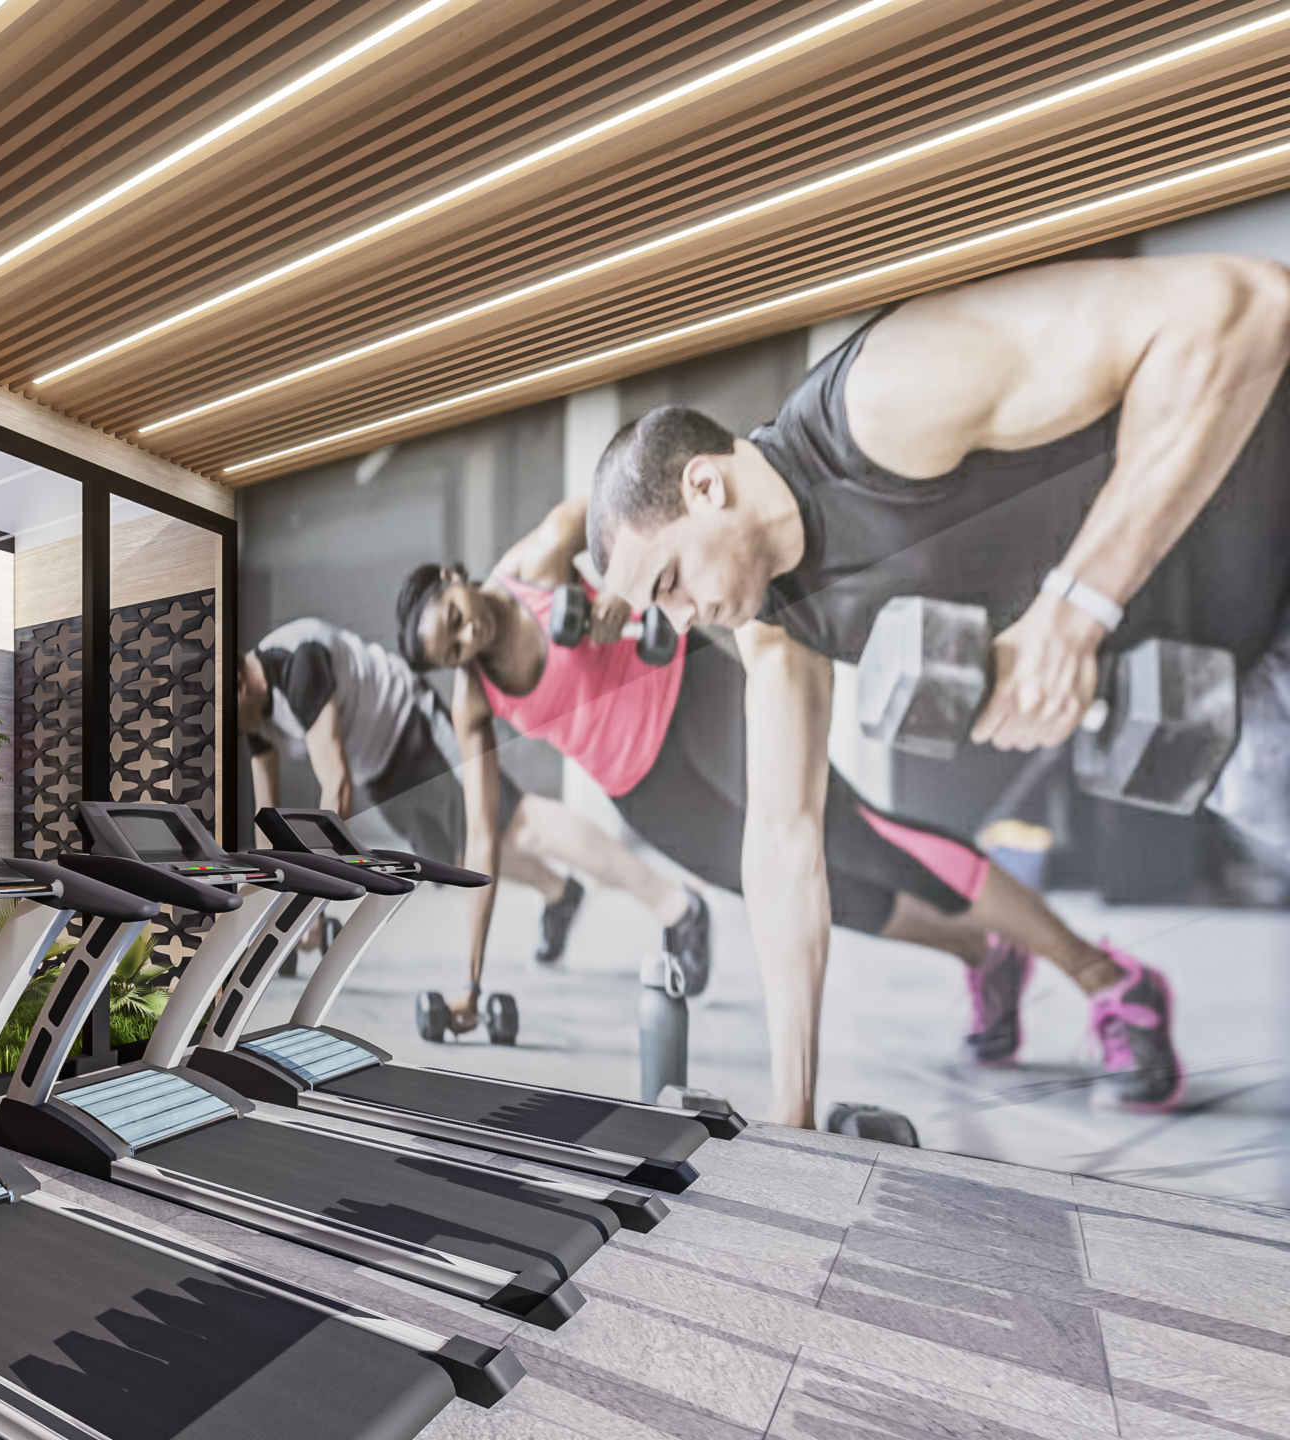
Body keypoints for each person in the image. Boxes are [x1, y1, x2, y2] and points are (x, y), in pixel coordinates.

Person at [582, 256, 1290, 1121]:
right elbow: (783, 847)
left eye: (669, 584)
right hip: (1231, 678)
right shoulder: (776, 624)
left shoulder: (884, 400)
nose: (683, 621)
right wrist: (791, 1118)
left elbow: (1247, 305)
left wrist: (1077, 606)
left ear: (704, 484)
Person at [402, 499, 1147, 1108]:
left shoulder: (536, 562)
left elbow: (616, 507)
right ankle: (983, 953)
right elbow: (480, 842)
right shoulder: (477, 700)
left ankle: (1107, 979)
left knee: (857, 837)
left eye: (455, 619)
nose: (468, 639)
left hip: (695, 698)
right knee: (827, 899)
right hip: (651, 792)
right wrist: (468, 983)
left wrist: (622, 592)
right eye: (453, 652)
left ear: (452, 578)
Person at [241, 616, 705, 1031]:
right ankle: (560, 893)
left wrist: (306, 905)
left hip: (414, 729)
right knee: (460, 859)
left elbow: (336, 790)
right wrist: (267, 913)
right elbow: (269, 818)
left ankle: (676, 905)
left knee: (517, 823)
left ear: (240, 683)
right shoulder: (249, 711)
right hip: (382, 771)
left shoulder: (296, 666)